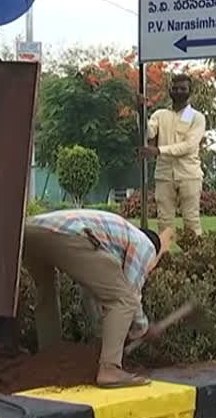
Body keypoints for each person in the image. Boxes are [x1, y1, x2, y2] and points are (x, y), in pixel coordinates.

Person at [23, 209, 171, 388]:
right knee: (121, 300)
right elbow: (129, 294)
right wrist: (142, 328)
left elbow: (93, 292)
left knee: (46, 290)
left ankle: (50, 355)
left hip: (28, 231)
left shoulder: (116, 236)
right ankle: (110, 369)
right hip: (69, 233)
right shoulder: (146, 245)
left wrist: (100, 334)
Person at [140, 74, 206, 236]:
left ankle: (195, 258)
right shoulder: (160, 114)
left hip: (189, 175)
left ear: (190, 91)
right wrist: (141, 112)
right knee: (164, 221)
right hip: (164, 175)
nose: (178, 92)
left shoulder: (195, 117)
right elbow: (148, 133)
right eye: (175, 88)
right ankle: (165, 257)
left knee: (191, 220)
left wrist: (159, 151)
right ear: (169, 90)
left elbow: (189, 146)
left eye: (183, 88)